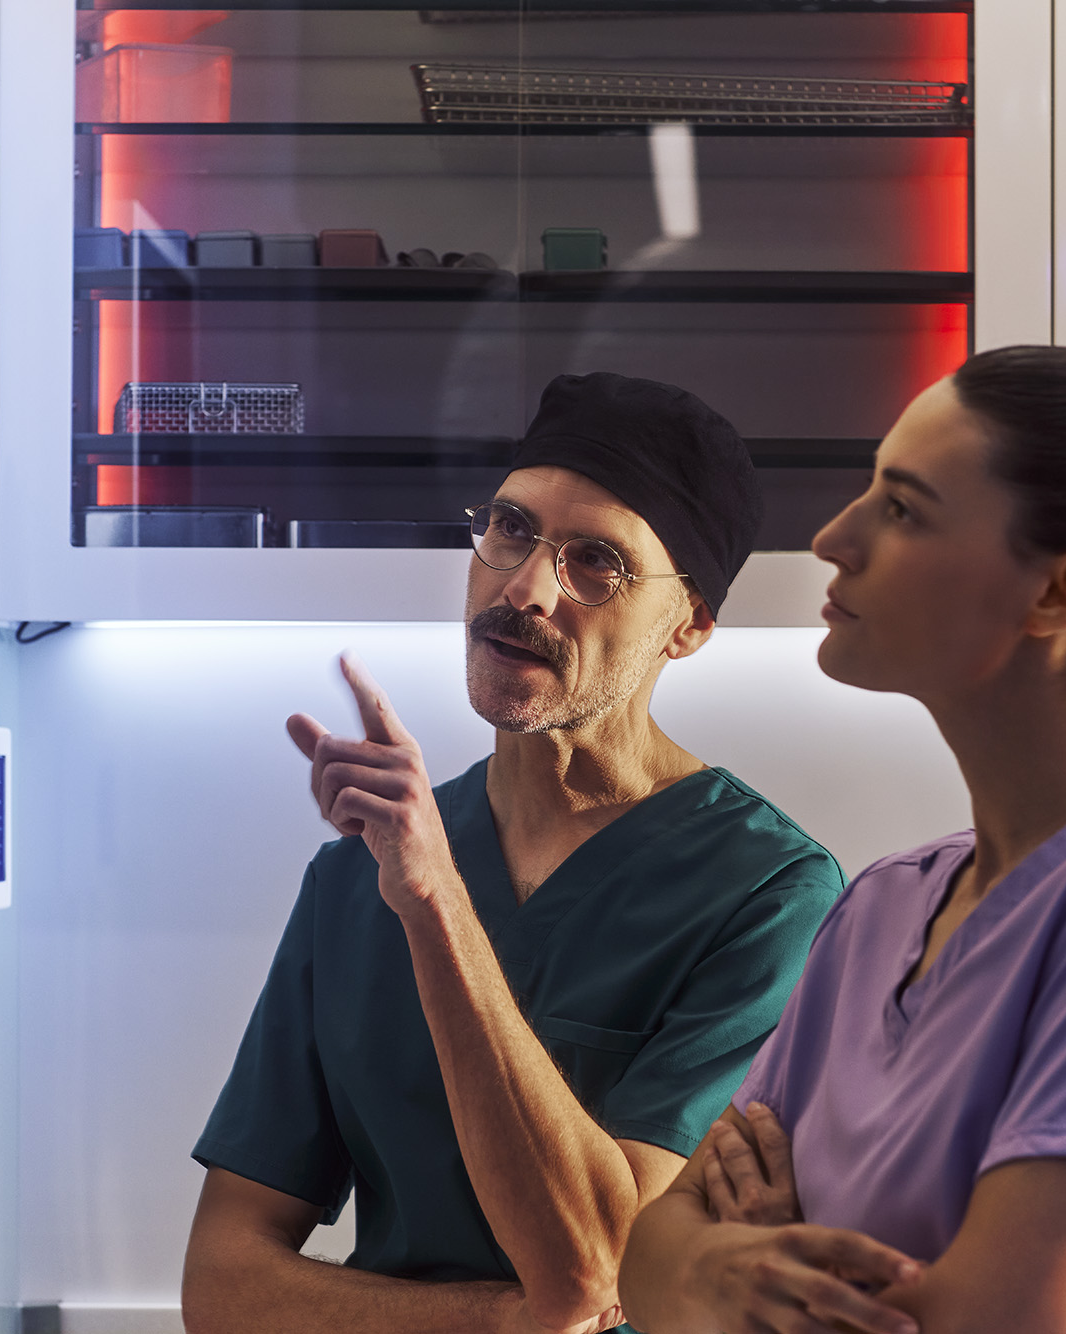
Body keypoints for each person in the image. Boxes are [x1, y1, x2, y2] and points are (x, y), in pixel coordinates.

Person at [619, 345, 1066, 1334]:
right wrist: (722, 1268)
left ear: (1061, 592)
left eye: (902, 507)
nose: (833, 537)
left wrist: (746, 1271)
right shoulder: (881, 905)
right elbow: (647, 1256)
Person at [182, 373, 846, 1334]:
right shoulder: (357, 875)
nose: (524, 588)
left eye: (596, 562)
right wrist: (501, 1322)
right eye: (510, 529)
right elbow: (222, 1284)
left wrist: (435, 902)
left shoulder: (768, 893)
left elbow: (596, 1267)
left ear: (690, 624)